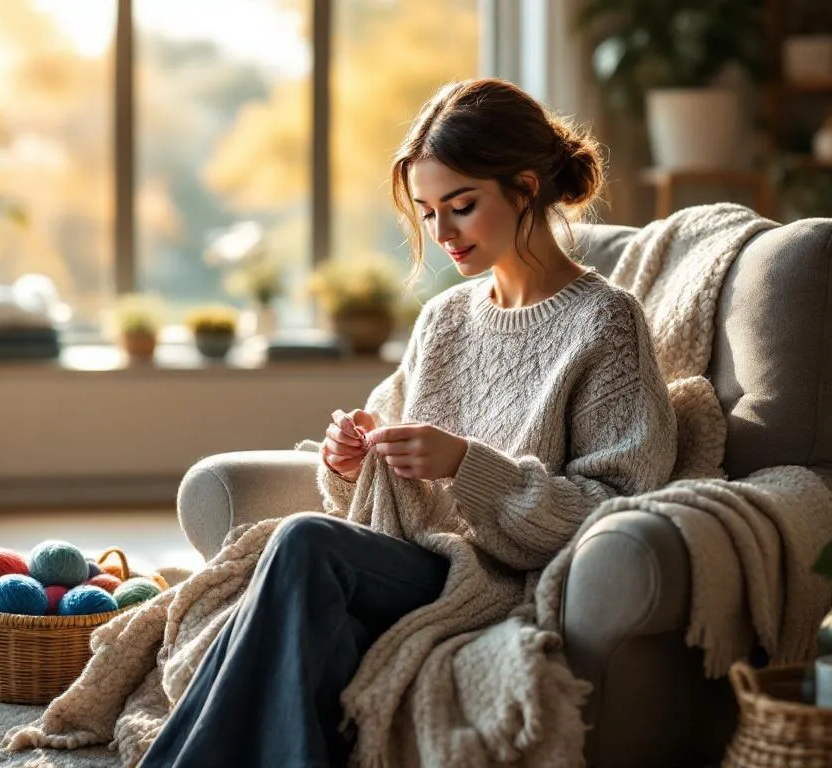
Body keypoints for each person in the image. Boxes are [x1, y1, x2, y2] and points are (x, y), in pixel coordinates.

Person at [140, 78, 676, 768]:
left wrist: (466, 465)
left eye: (461, 206)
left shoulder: (605, 322)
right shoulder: (445, 318)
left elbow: (613, 509)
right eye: (427, 213)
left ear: (524, 186)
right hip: (407, 557)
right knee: (314, 635)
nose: (442, 233)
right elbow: (369, 495)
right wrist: (347, 461)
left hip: (488, 582)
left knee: (304, 545)